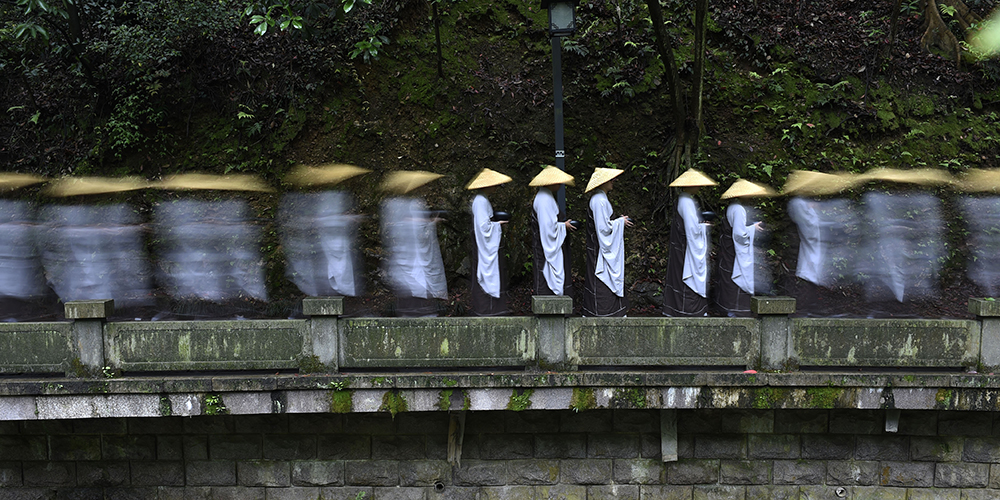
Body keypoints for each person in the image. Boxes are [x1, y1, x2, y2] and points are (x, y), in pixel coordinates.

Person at [280, 163, 370, 298]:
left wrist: (349, 219)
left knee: (340, 269)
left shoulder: (339, 195)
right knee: (329, 269)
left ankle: (338, 295)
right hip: (328, 239)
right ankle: (329, 295)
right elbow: (322, 220)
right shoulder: (325, 198)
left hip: (338, 240)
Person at [380, 170, 448, 317]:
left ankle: (415, 308)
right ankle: (413, 309)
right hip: (407, 249)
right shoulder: (399, 204)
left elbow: (409, 224)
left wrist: (427, 223)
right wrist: (430, 223)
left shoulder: (397, 203)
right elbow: (409, 224)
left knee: (414, 281)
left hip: (409, 249)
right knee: (412, 280)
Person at [715, 179, 774, 317]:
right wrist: (753, 228)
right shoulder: (739, 209)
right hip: (733, 251)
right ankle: (736, 311)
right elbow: (739, 234)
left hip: (727, 248)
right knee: (736, 276)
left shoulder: (731, 206)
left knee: (728, 276)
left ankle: (727, 308)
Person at [663, 169, 717, 317]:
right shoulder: (686, 201)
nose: (700, 187)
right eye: (697, 184)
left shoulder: (684, 198)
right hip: (685, 247)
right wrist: (704, 227)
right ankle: (689, 310)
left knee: (679, 275)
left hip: (680, 245)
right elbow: (692, 230)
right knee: (687, 277)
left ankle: (677, 309)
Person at [582, 167, 633, 317]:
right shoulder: (599, 200)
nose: (614, 181)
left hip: (597, 245)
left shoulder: (601, 198)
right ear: (603, 182)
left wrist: (617, 221)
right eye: (611, 179)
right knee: (601, 276)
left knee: (602, 276)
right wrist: (620, 222)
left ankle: (606, 310)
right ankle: (602, 311)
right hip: (599, 247)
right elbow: (604, 229)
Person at [466, 168, 513, 316]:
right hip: (482, 243)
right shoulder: (480, 201)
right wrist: (497, 225)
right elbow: (483, 227)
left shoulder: (482, 199)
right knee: (483, 272)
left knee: (490, 272)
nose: (496, 187)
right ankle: (485, 308)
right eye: (493, 184)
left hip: (483, 241)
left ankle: (492, 307)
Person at [530, 166, 576, 296]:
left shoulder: (546, 196)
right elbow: (548, 228)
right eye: (558, 181)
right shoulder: (544, 199)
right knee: (545, 272)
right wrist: (563, 226)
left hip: (544, 243)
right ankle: (548, 308)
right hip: (544, 246)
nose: (561, 184)